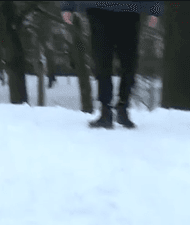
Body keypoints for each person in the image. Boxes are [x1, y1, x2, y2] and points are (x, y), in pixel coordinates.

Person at [61, 2, 162, 130]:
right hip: (102, 10)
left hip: (127, 10)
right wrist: (68, 6)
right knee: (104, 61)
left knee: (126, 62)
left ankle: (120, 107)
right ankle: (108, 110)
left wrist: (154, 9)